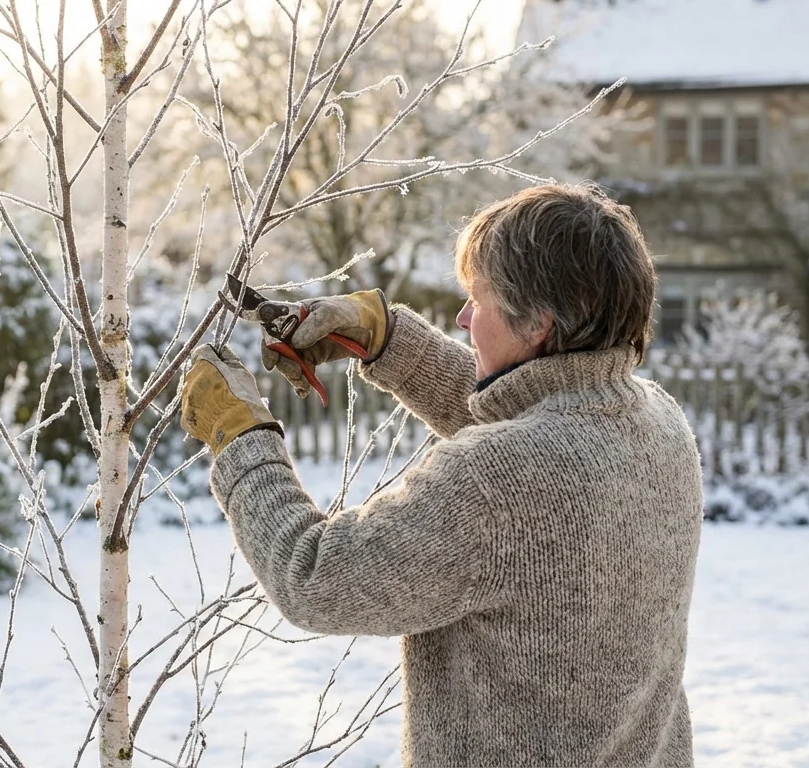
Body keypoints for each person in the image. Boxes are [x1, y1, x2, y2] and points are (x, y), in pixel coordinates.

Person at [179, 183, 702, 767]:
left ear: (538, 326)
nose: (462, 316)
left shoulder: (499, 480)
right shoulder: (657, 423)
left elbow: (314, 576)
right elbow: (539, 432)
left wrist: (239, 434)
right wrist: (389, 341)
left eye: (479, 300)